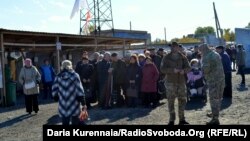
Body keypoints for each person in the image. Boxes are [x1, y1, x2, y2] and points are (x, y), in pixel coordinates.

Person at [160, 42, 191, 125]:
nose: (174, 48)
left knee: (182, 100)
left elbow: (188, 67)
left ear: (178, 47)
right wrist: (172, 70)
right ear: (171, 48)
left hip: (181, 82)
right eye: (172, 47)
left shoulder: (183, 57)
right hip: (170, 82)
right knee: (171, 101)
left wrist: (184, 71)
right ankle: (171, 120)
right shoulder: (166, 57)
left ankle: (182, 119)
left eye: (175, 47)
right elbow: (162, 69)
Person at [52, 60, 87, 125]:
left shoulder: (58, 76)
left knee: (65, 120)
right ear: (70, 65)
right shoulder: (75, 75)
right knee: (75, 119)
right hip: (74, 101)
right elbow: (79, 89)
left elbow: (54, 88)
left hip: (63, 102)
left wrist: (55, 96)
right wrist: (83, 101)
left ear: (62, 66)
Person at [198, 44, 225, 125]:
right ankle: (215, 114)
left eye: (200, 51)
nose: (200, 53)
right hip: (221, 79)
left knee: (213, 99)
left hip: (213, 81)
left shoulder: (206, 57)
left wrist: (201, 67)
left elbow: (206, 70)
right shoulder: (215, 53)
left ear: (203, 50)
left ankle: (215, 119)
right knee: (218, 98)